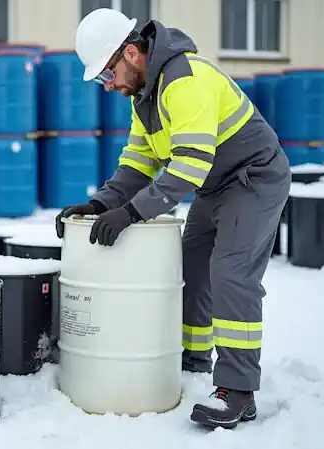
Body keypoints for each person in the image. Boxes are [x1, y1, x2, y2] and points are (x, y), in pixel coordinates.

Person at [55, 8, 291, 429]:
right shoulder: (144, 96)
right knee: (192, 272)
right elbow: (139, 160)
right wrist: (100, 205)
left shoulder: (185, 81)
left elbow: (189, 165)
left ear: (130, 53)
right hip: (215, 184)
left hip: (253, 179)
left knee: (231, 273)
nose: (108, 87)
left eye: (108, 75)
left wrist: (131, 213)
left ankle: (238, 390)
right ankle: (192, 360)